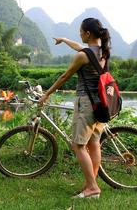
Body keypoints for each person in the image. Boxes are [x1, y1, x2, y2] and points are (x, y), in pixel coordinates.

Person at [39, 18, 111, 199]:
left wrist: (46, 94)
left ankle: (92, 188)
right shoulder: (102, 50)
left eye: (81, 31)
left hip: (86, 103)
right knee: (94, 144)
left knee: (78, 146)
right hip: (100, 104)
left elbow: (64, 77)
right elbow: (80, 46)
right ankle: (90, 183)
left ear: (87, 33)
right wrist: (63, 39)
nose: (79, 34)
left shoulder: (82, 56)